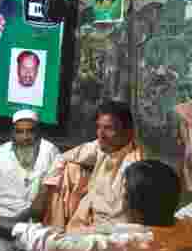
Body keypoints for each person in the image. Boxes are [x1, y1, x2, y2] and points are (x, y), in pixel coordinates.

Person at [0, 160, 192, 251]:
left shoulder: (130, 246)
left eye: (123, 195)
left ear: (135, 208)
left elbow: (54, 247)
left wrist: (15, 227)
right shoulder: (189, 228)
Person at [35, 99, 145, 232]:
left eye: (109, 128)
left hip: (106, 234)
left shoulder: (135, 166)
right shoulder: (101, 146)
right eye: (99, 127)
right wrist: (43, 192)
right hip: (83, 219)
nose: (101, 135)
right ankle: (54, 230)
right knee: (69, 169)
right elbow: (63, 158)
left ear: (129, 132)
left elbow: (120, 222)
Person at [0, 110, 61, 223]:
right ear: (13, 133)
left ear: (38, 132)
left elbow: (50, 195)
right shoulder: (3, 151)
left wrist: (13, 222)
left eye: (30, 131)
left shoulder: (50, 152)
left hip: (28, 220)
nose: (25, 137)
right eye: (20, 132)